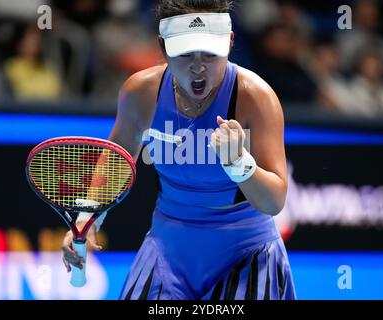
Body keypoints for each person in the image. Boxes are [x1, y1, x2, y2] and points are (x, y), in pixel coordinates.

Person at [62, 0, 296, 300]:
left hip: (246, 255)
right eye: (185, 54)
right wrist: (87, 221)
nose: (198, 67)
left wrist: (239, 163)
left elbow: (274, 201)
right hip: (168, 253)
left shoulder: (256, 98)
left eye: (210, 54)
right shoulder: (141, 93)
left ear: (230, 41)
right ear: (162, 46)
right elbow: (116, 163)